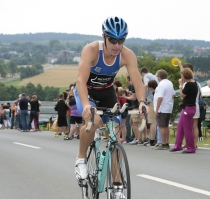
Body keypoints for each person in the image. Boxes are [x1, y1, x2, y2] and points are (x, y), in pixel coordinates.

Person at [74, 16, 147, 190]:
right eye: (112, 40)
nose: (116, 45)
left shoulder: (127, 55)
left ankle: (117, 184)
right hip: (87, 91)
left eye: (121, 40)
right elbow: (81, 81)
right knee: (93, 122)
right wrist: (86, 105)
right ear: (104, 37)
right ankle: (81, 159)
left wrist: (143, 102)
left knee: (115, 134)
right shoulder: (91, 50)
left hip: (107, 93)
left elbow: (137, 82)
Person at [170, 68, 198, 153]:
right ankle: (178, 145)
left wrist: (180, 85)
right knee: (180, 127)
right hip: (188, 108)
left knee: (187, 128)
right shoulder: (194, 83)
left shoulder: (189, 84)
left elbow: (182, 95)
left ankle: (191, 147)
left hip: (188, 108)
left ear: (184, 76)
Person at [153, 69, 175, 150]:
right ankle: (167, 142)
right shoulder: (169, 83)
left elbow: (160, 98)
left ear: (159, 77)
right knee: (166, 126)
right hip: (168, 107)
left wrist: (157, 109)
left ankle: (163, 143)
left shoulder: (161, 84)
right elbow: (173, 94)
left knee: (162, 126)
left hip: (162, 108)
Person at [140, 67, 159, 146]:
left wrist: (143, 97)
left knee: (152, 121)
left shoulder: (146, 76)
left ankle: (152, 140)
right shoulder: (154, 76)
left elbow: (146, 84)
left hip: (150, 100)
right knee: (154, 121)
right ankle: (155, 139)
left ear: (142, 73)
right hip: (155, 99)